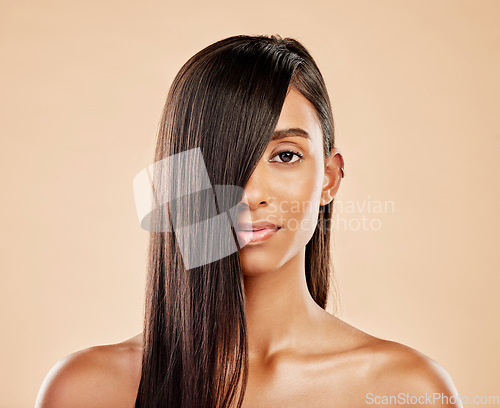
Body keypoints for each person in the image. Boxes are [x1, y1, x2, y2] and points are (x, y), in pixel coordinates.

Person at [35, 34, 461, 408]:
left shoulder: (407, 391)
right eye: (220, 158)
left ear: (329, 178)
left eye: (286, 155)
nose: (250, 193)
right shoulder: (86, 390)